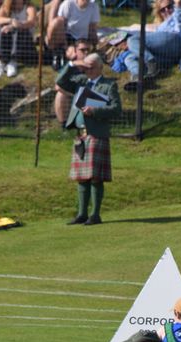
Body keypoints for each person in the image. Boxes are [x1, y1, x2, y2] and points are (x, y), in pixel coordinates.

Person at [56, 53, 121, 226]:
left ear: (100, 67)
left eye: (91, 66)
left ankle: (95, 214)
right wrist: (72, 64)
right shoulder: (79, 81)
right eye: (86, 66)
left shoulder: (108, 85)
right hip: (80, 135)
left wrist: (95, 110)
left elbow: (116, 109)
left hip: (97, 133)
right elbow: (60, 82)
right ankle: (82, 214)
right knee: (81, 177)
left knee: (95, 177)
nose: (88, 69)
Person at [124, 0, 181, 90]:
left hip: (175, 40)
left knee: (133, 40)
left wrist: (177, 4)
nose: (167, 11)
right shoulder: (162, 26)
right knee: (129, 58)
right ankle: (139, 79)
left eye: (169, 7)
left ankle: (151, 63)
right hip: (170, 57)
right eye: (162, 10)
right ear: (159, 13)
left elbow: (179, 4)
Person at [45, 0, 100, 69]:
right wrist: (66, 46)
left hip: (81, 39)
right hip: (66, 36)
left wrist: (94, 45)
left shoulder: (94, 7)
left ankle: (69, 59)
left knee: (80, 56)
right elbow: (61, 24)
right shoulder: (69, 3)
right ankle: (58, 53)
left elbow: (92, 29)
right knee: (56, 22)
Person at [53, 38, 93, 127]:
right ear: (75, 51)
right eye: (82, 50)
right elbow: (58, 85)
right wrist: (73, 64)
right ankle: (64, 124)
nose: (86, 52)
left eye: (88, 50)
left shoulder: (95, 64)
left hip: (88, 96)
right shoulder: (69, 66)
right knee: (60, 94)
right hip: (72, 94)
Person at [0, 0, 37, 79]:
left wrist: (15, 26)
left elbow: (31, 22)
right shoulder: (6, 7)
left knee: (17, 29)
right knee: (0, 28)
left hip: (26, 43)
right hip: (9, 41)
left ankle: (13, 60)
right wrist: (11, 21)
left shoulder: (29, 8)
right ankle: (2, 61)